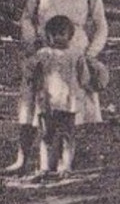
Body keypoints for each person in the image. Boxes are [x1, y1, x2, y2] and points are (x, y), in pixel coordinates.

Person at [5, 0, 108, 173]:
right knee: (32, 100)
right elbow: (27, 16)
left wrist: (90, 53)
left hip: (74, 54)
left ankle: (65, 161)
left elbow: (101, 25)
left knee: (68, 106)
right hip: (44, 50)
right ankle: (22, 158)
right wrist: (31, 41)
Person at [27, 15, 85, 175]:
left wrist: (83, 87)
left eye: (62, 33)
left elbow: (84, 76)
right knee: (46, 135)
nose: (59, 37)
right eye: (54, 33)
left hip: (68, 102)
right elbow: (30, 71)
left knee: (67, 136)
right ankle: (44, 166)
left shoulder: (76, 54)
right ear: (48, 36)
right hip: (47, 101)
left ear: (70, 35)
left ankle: (66, 165)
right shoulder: (43, 54)